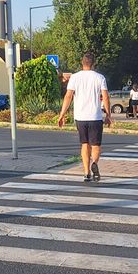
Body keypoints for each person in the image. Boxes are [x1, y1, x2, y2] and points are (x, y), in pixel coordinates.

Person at [57, 52, 112, 183]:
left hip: (80, 117)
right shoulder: (100, 78)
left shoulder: (75, 77)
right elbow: (105, 96)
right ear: (93, 64)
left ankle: (86, 172)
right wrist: (108, 115)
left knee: (84, 144)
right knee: (96, 145)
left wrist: (62, 114)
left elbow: (68, 96)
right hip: (95, 116)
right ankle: (95, 163)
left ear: (82, 63)